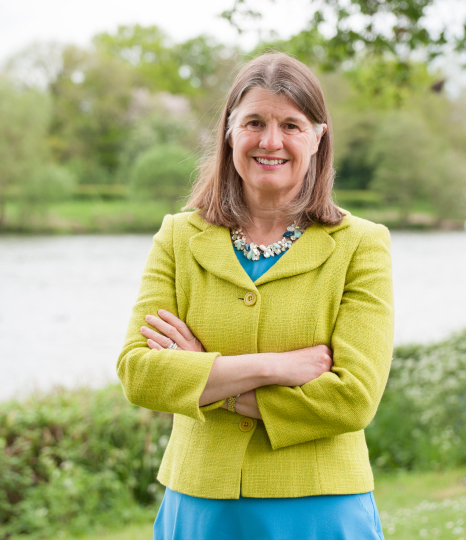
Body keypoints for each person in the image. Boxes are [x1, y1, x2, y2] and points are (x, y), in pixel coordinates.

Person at [116, 52, 394, 539]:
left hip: (319, 509)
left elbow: (352, 400)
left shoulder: (361, 244)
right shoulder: (179, 237)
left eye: (291, 124)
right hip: (202, 507)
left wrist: (205, 375)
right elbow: (139, 373)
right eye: (255, 122)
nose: (271, 141)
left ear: (318, 136)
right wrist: (274, 368)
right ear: (229, 131)